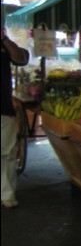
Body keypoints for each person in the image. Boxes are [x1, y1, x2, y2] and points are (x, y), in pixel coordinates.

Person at [1, 27, 31, 208]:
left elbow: (21, 59)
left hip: (3, 108)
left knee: (6, 153)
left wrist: (4, 39)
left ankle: (7, 194)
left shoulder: (6, 46)